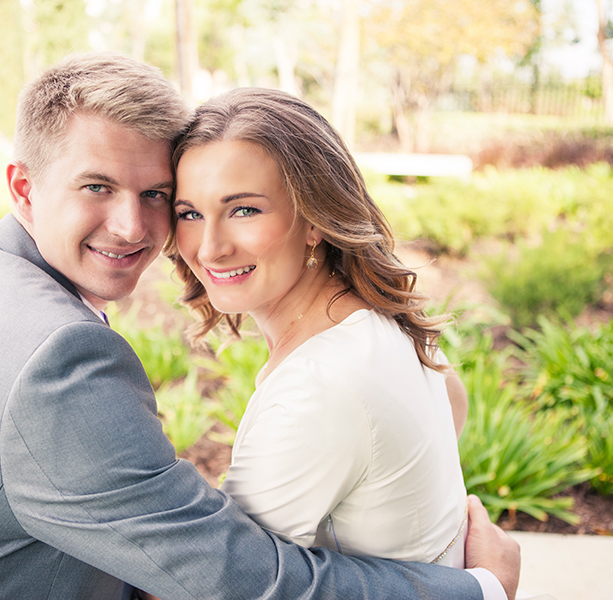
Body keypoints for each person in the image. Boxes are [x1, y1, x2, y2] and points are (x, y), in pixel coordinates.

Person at [0, 52, 519, 600]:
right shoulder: (56, 358)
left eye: (156, 196)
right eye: (97, 187)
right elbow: (222, 578)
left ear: (313, 219)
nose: (133, 227)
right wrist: (476, 589)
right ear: (25, 187)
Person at [168, 88, 472, 567]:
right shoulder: (382, 326)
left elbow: (216, 580)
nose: (209, 248)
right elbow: (454, 406)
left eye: (244, 209)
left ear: (315, 218)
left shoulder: (316, 386)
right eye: (190, 213)